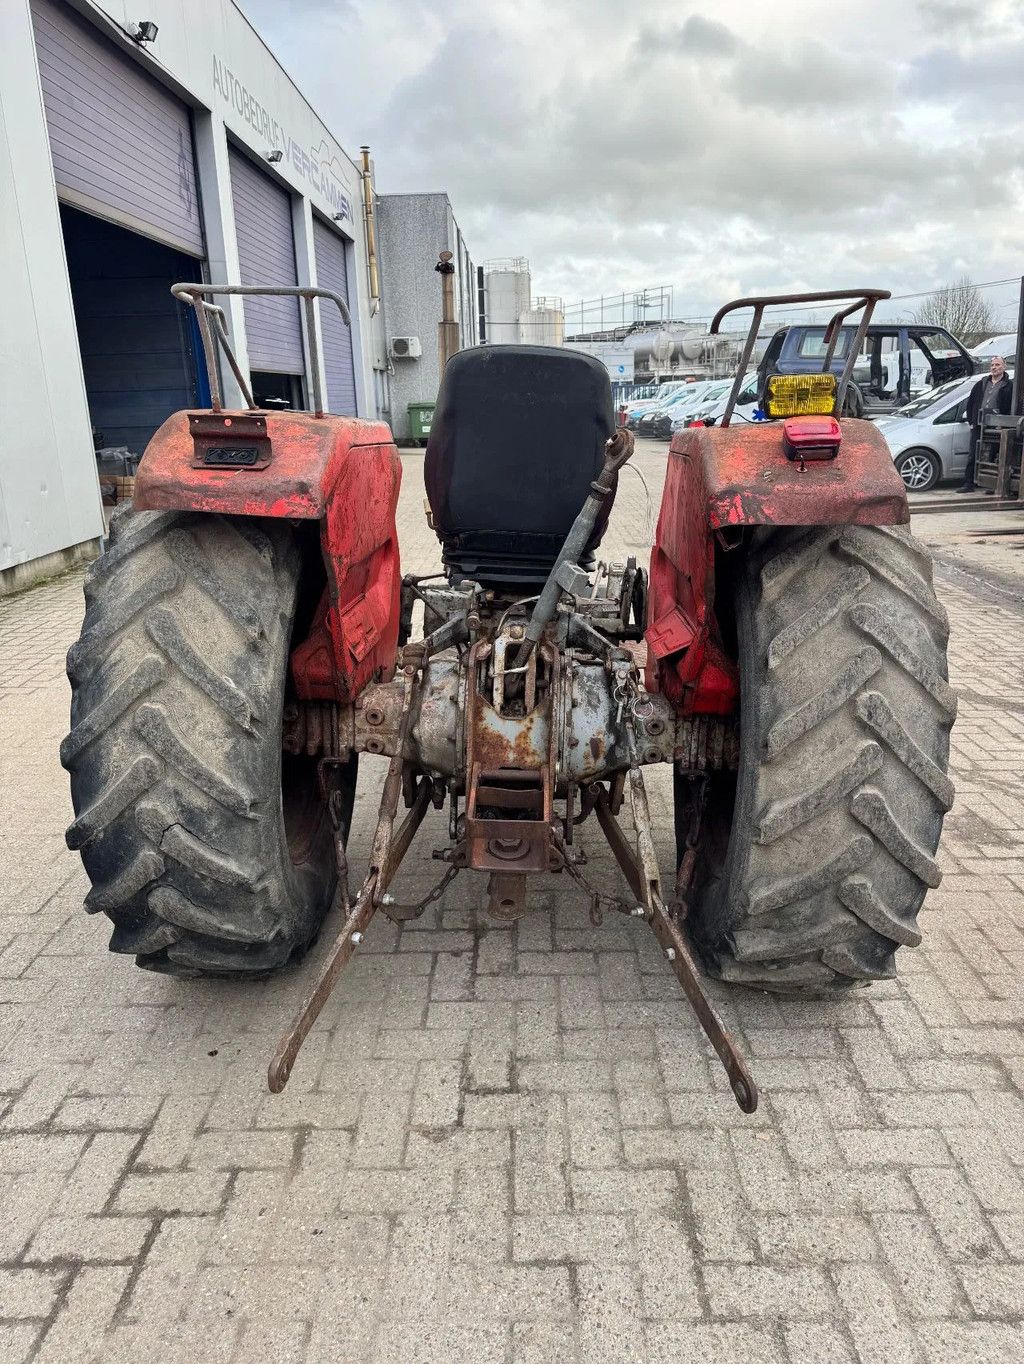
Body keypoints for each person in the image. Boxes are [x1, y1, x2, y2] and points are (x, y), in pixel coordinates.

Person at [957, 355, 1013, 492]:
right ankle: (969, 483)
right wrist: (971, 421)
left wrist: (1004, 423)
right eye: (992, 365)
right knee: (973, 453)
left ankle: (991, 485)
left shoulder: (1009, 385)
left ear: (1004, 367)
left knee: (994, 455)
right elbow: (970, 403)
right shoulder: (981, 383)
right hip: (978, 424)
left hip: (997, 426)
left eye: (997, 365)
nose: (994, 367)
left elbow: (1011, 406)